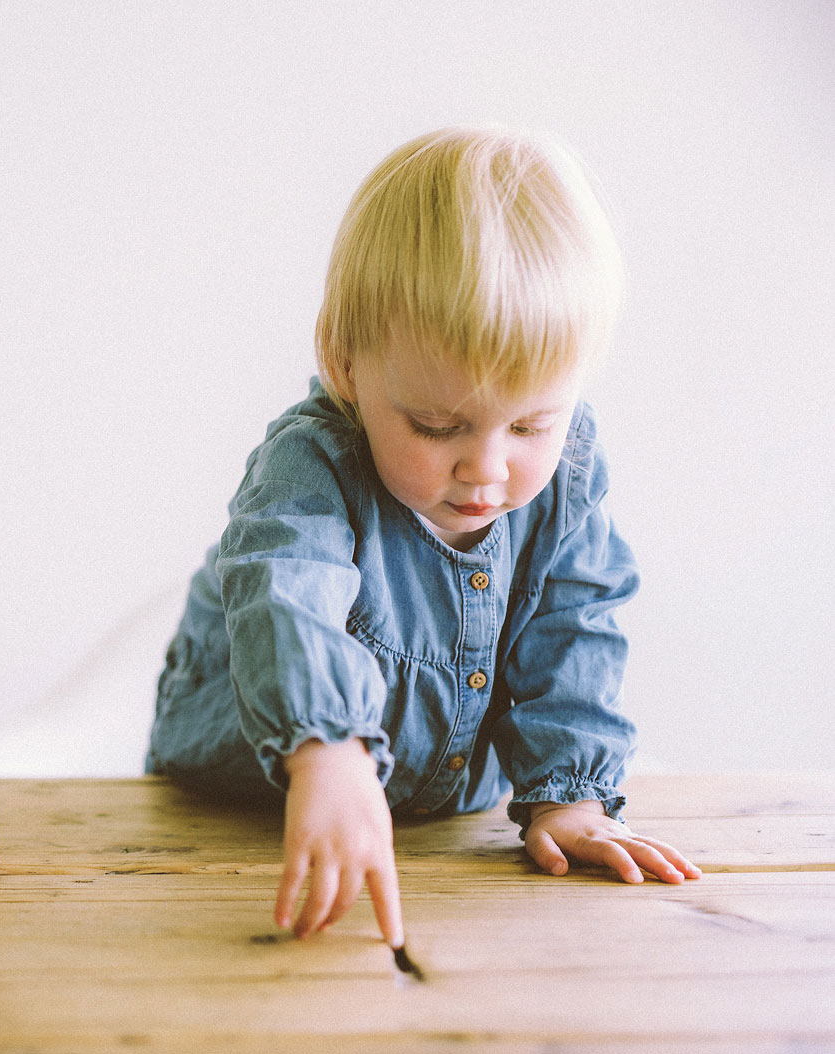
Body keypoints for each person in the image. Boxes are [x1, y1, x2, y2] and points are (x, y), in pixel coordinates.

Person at [146, 126, 700, 947]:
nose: (487, 468)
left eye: (530, 424)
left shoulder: (569, 479)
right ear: (346, 364)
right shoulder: (311, 463)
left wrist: (570, 796)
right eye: (438, 425)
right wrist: (328, 751)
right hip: (243, 805)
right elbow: (285, 593)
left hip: (442, 828)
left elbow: (575, 628)